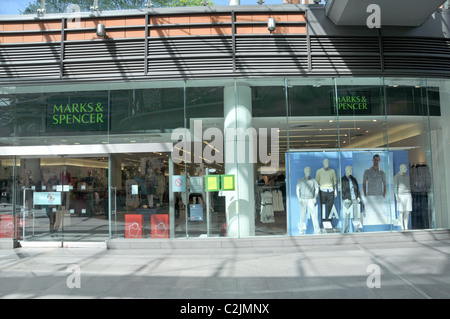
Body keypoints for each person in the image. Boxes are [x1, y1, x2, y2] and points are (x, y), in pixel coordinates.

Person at [363, 154, 387, 224]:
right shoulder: (367, 171)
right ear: (372, 160)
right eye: (375, 160)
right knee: (368, 215)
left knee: (380, 215)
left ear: (379, 161)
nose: (376, 161)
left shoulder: (382, 172)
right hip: (370, 196)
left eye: (377, 160)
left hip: (379, 196)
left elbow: (385, 185)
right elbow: (364, 184)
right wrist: (365, 195)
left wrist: (383, 196)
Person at [296, 166, 320, 234]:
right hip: (303, 199)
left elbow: (317, 188)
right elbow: (297, 189)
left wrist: (315, 197)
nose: (308, 172)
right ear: (304, 171)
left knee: (314, 216)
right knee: (302, 216)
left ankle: (317, 231)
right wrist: (299, 198)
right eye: (307, 171)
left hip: (310, 199)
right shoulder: (300, 180)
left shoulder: (313, 180)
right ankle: (301, 231)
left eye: (309, 171)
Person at [315, 159, 337, 228]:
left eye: (328, 162)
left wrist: (335, 190)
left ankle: (330, 223)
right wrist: (317, 191)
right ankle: (323, 223)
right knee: (323, 207)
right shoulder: (319, 171)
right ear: (323, 163)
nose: (327, 163)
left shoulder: (332, 171)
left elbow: (334, 181)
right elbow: (317, 182)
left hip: (330, 191)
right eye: (325, 162)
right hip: (322, 191)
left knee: (330, 208)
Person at [341, 166, 362, 233]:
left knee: (356, 215)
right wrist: (344, 198)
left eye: (351, 170)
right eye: (350, 170)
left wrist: (358, 196)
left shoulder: (353, 179)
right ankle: (346, 230)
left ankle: (356, 229)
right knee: (347, 215)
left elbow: (357, 189)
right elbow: (341, 190)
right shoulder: (342, 179)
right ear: (346, 170)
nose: (351, 171)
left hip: (354, 198)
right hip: (347, 199)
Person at [394, 164, 412, 230]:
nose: (406, 169)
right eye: (405, 168)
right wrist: (396, 196)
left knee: (407, 211)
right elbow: (395, 187)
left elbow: (409, 186)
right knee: (401, 211)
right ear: (401, 168)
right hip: (401, 195)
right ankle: (402, 227)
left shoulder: (407, 177)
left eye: (406, 168)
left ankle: (406, 226)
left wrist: (410, 195)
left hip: (408, 194)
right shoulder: (396, 176)